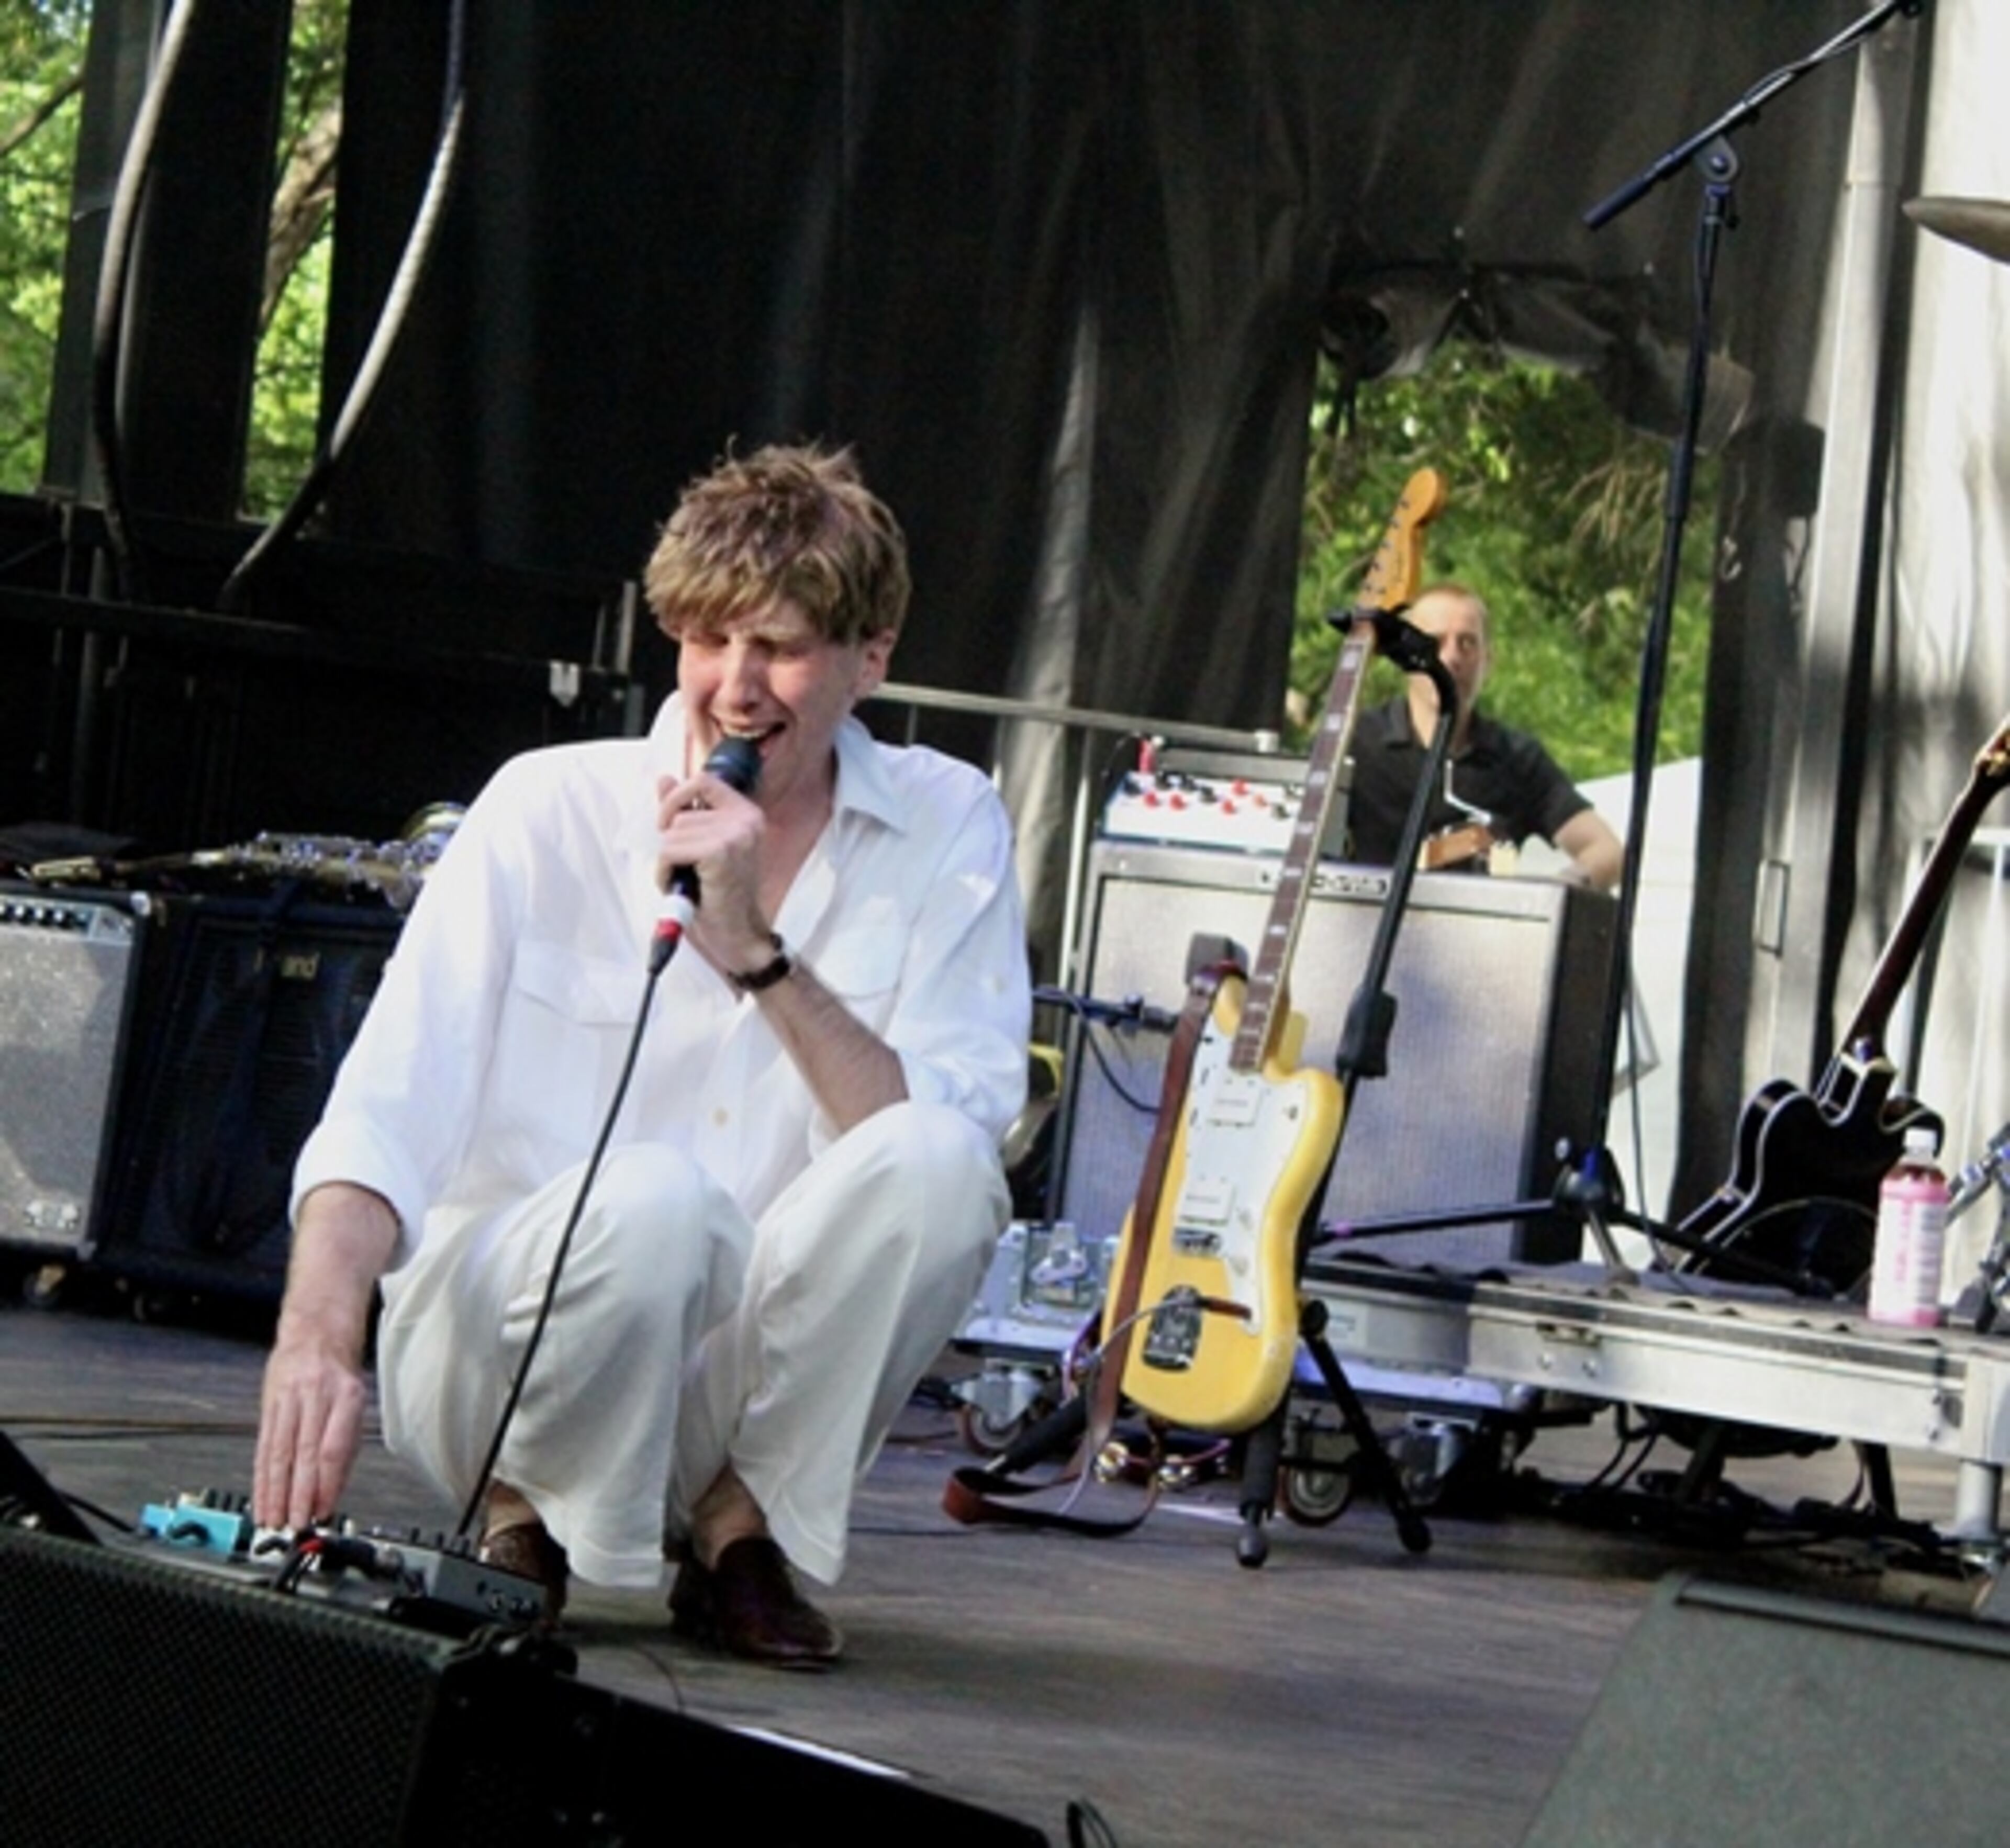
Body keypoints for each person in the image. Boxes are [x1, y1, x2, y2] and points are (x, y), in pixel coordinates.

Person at [253, 444, 1031, 1667]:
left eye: (779, 647)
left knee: (939, 1162)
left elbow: (950, 1137)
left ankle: (738, 1527)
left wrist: (756, 951)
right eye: (707, 639)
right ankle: (519, 1513)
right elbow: (384, 1108)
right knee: (656, 1202)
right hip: (500, 1360)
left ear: (872, 655)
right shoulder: (545, 804)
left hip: (731, 1385)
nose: (735, 687)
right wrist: (314, 1337)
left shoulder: (949, 821)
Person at [1344, 583, 1623, 891]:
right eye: (1434, 643)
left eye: (1467, 644)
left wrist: (1549, 898)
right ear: (1404, 657)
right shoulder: (1357, 743)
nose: (1451, 658)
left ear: (1487, 661)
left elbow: (1607, 851)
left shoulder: (1516, 758)